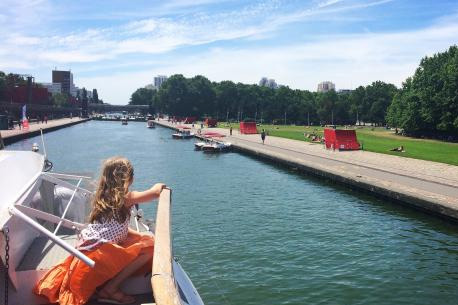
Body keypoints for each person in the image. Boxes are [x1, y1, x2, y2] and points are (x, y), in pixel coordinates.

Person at [34, 157, 166, 305]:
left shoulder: (104, 196)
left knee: (145, 241)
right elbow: (155, 193)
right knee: (150, 249)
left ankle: (107, 285)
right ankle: (111, 289)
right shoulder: (126, 197)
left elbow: (118, 227)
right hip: (99, 255)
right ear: (129, 178)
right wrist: (160, 186)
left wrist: (141, 235)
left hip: (89, 249)